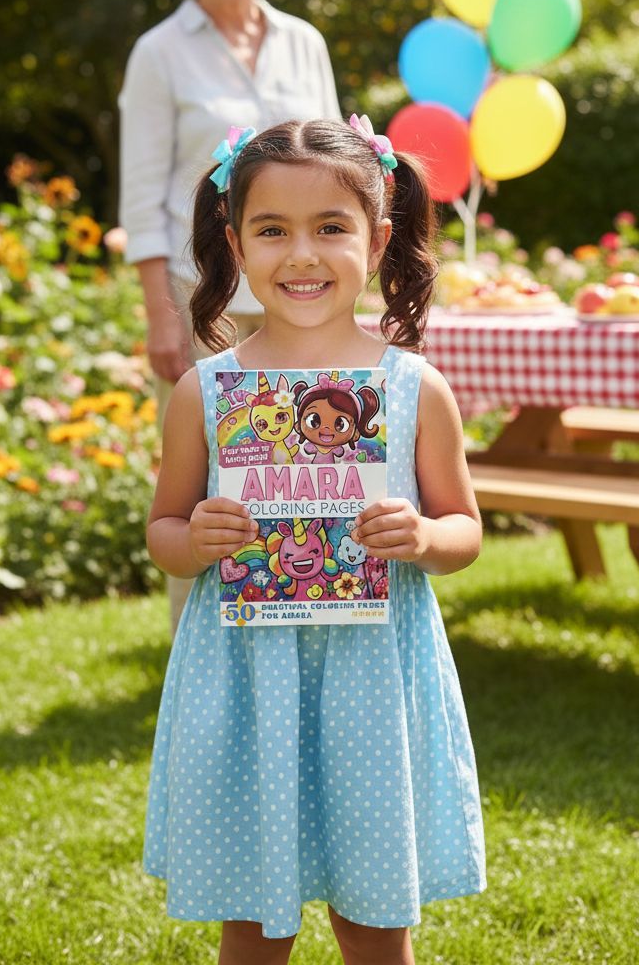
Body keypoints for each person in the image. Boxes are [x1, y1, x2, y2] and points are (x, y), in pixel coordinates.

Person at [143, 115, 486, 965]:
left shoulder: (411, 387)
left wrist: (421, 534)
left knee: (374, 920)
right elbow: (163, 529)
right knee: (256, 922)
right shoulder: (208, 391)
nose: (302, 254)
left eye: (331, 228)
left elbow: (466, 529)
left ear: (375, 243)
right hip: (247, 679)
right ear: (235, 245)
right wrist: (197, 540)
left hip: (374, 678)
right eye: (273, 230)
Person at [119, 0, 340, 634]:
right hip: (201, 298)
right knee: (208, 494)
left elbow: (338, 172)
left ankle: (303, 639)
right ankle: (202, 657)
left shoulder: (302, 41)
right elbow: (142, 195)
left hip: (304, 293)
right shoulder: (160, 52)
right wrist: (162, 315)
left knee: (308, 477)